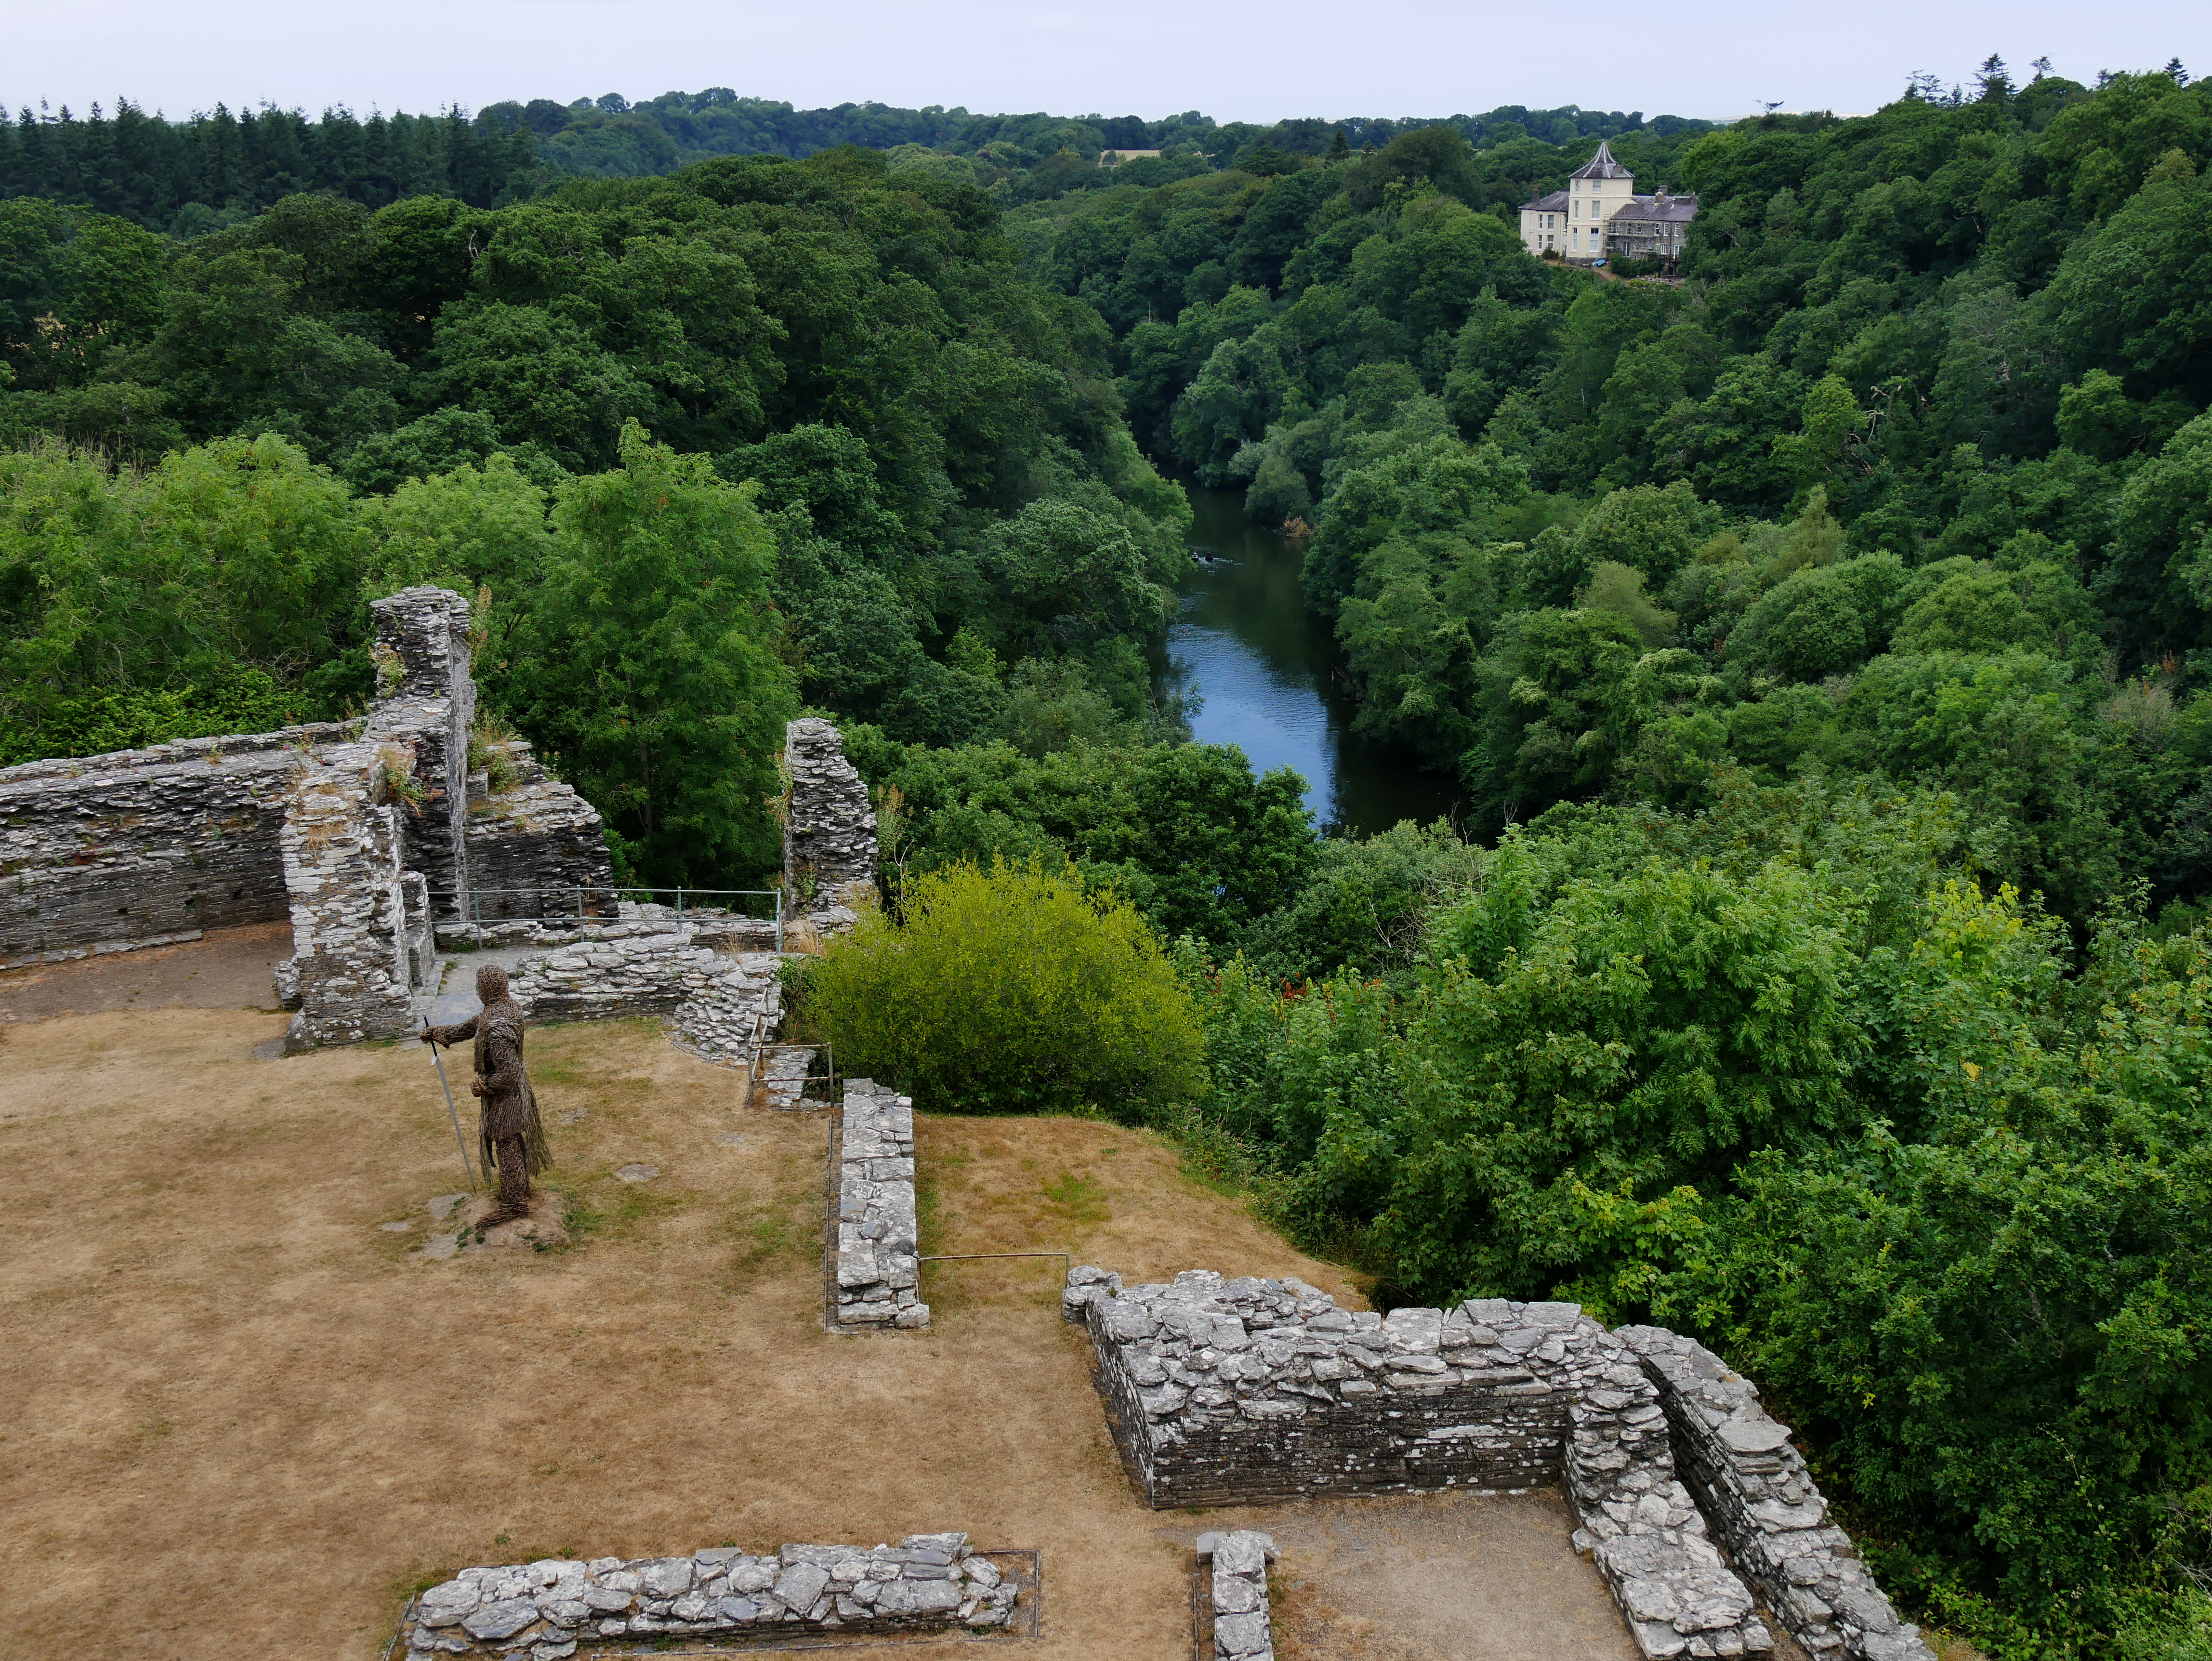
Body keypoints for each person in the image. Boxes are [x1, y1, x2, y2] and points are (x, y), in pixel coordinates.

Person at [422, 962, 550, 1226]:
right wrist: (441, 1033)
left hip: (508, 1098)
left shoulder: (498, 1028)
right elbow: (473, 1027)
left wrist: (485, 1085)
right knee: (511, 1144)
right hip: (510, 1095)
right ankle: (518, 1189)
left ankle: (514, 1203)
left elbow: (510, 1073)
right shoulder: (501, 1008)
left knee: (507, 1146)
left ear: (483, 989)